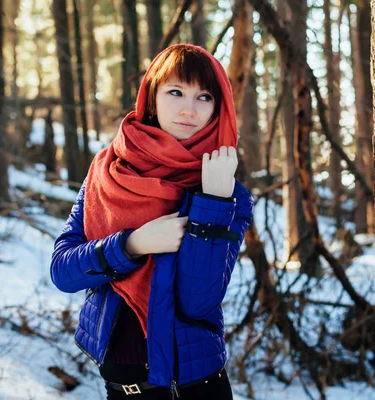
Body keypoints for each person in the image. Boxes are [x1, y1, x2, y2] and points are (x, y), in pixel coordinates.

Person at [50, 43, 254, 399]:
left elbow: (197, 302)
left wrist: (213, 203)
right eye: (175, 92)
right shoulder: (107, 168)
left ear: (217, 109)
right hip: (119, 389)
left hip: (193, 391)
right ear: (151, 98)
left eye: (204, 97)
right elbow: (63, 271)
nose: (189, 109)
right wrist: (132, 245)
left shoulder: (224, 192)